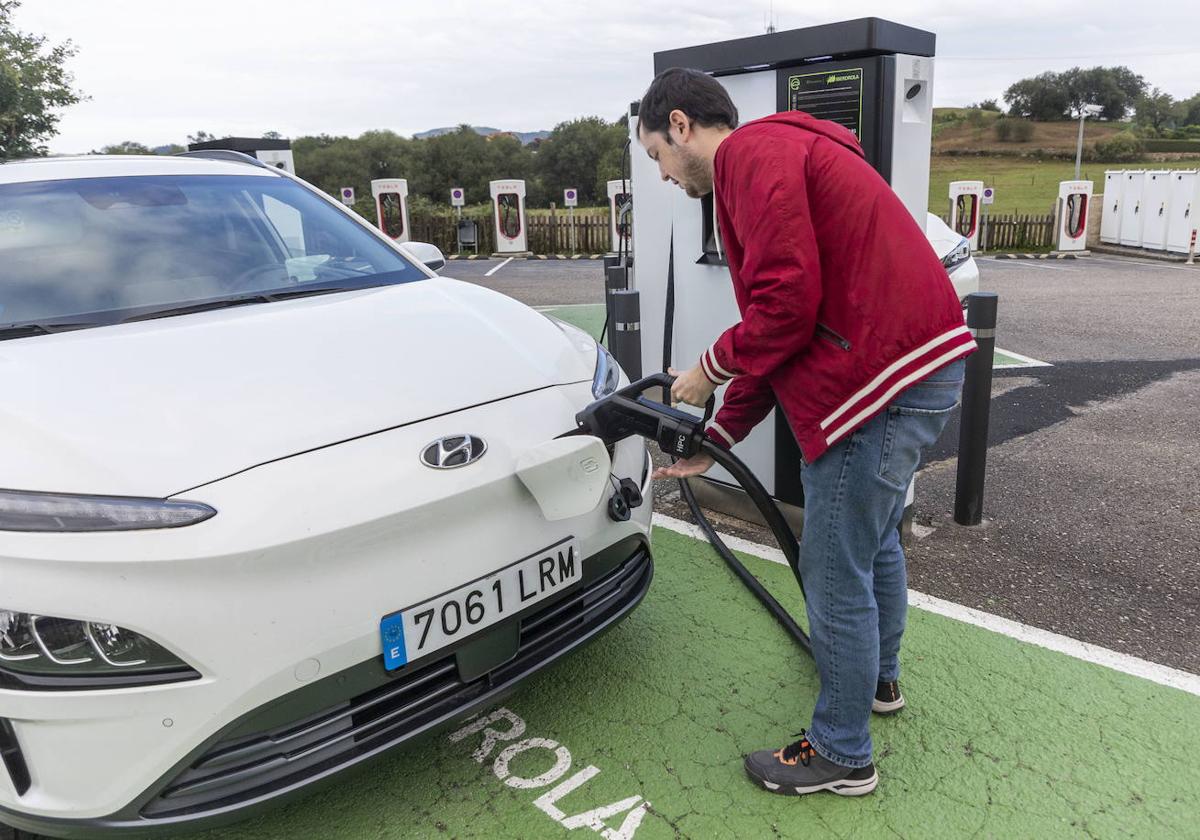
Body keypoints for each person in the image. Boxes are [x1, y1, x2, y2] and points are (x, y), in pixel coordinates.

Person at [637, 68, 976, 797]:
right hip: (911, 371)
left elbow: (786, 306)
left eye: (655, 156)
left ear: (680, 125)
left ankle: (843, 753)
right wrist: (717, 440)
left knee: (832, 567)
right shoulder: (778, 156)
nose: (662, 176)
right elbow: (778, 333)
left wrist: (707, 367)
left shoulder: (753, 160)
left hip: (881, 382)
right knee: (873, 540)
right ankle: (876, 681)